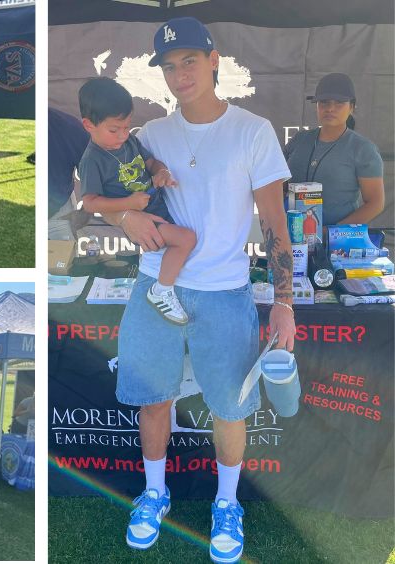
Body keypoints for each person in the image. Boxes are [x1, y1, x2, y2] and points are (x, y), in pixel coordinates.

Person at [105, 18, 295, 563]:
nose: (179, 74)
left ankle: (227, 503)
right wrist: (124, 221)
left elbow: (275, 222)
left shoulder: (253, 130)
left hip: (224, 291)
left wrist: (284, 302)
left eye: (189, 60)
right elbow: (108, 196)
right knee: (152, 400)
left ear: (214, 61)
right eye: (169, 65)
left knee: (230, 407)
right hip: (154, 285)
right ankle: (154, 493)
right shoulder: (149, 136)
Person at [77, 77, 196, 325]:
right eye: (114, 130)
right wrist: (128, 205)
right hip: (142, 220)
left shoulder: (130, 140)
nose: (123, 135)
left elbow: (150, 162)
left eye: (127, 126)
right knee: (186, 239)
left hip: (158, 207)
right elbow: (89, 203)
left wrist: (162, 172)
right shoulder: (92, 160)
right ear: (88, 125)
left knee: (188, 238)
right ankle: (161, 291)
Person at [283, 72, 385, 225]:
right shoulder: (299, 140)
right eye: (324, 102)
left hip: (338, 239)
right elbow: (276, 185)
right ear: (317, 106)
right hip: (291, 233)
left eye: (339, 103)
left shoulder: (363, 149)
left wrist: (332, 232)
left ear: (352, 107)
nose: (330, 108)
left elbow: (375, 203)